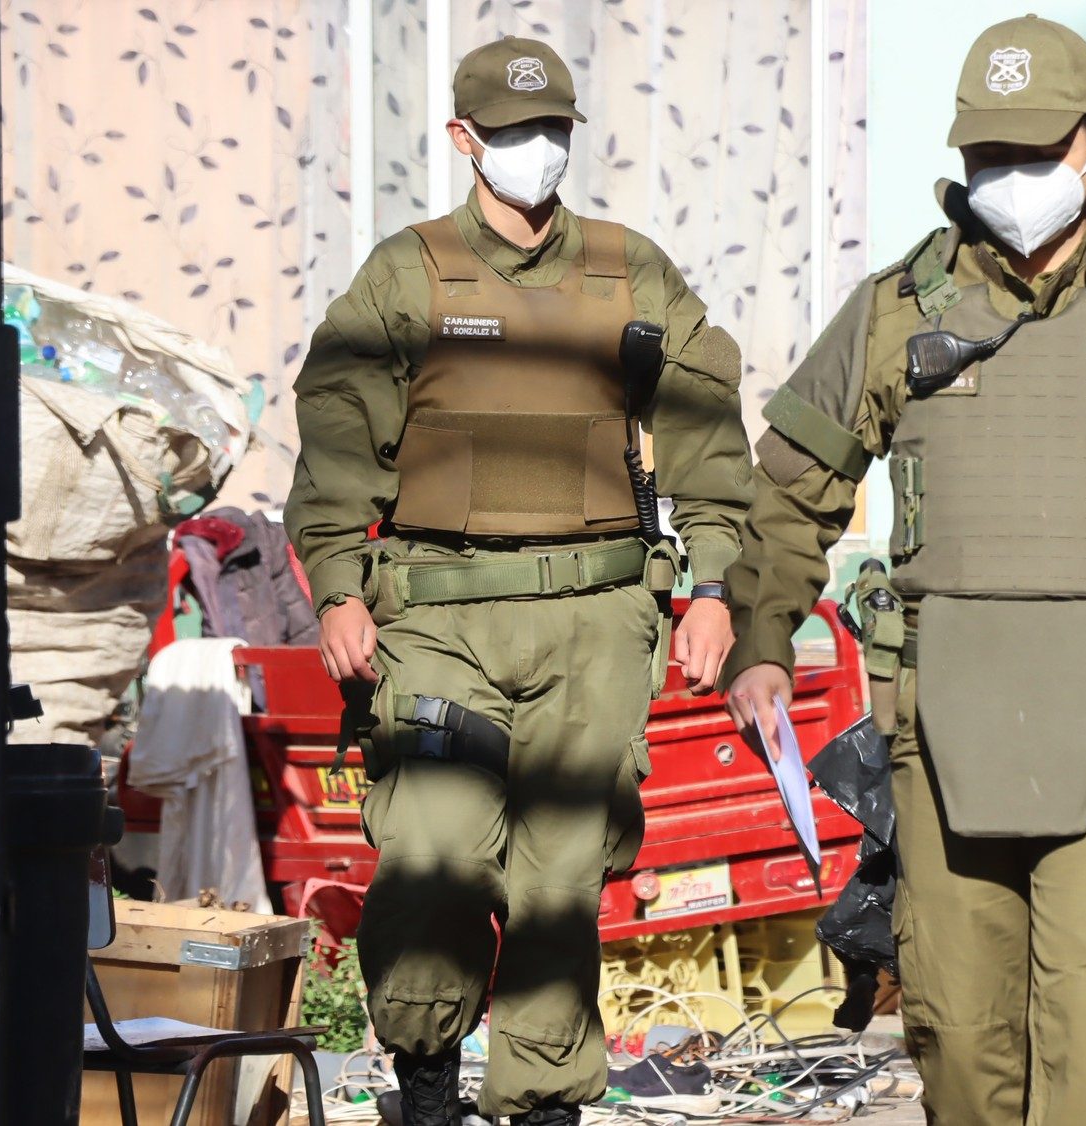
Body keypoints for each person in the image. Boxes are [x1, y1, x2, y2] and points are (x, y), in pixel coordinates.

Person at [718, 17, 1086, 1124]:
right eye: (986, 155)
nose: (1008, 179)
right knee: (958, 1035)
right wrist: (760, 635)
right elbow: (796, 483)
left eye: (1034, 153)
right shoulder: (896, 309)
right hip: (944, 730)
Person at [285, 36, 752, 1126]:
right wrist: (335, 584)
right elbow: (337, 435)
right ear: (463, 140)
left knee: (561, 877)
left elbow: (705, 428)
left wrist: (717, 583)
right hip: (439, 614)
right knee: (435, 854)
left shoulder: (628, 270)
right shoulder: (407, 273)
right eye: (509, 134)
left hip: (595, 617)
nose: (534, 152)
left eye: (551, 132)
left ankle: (543, 1102)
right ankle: (427, 1079)